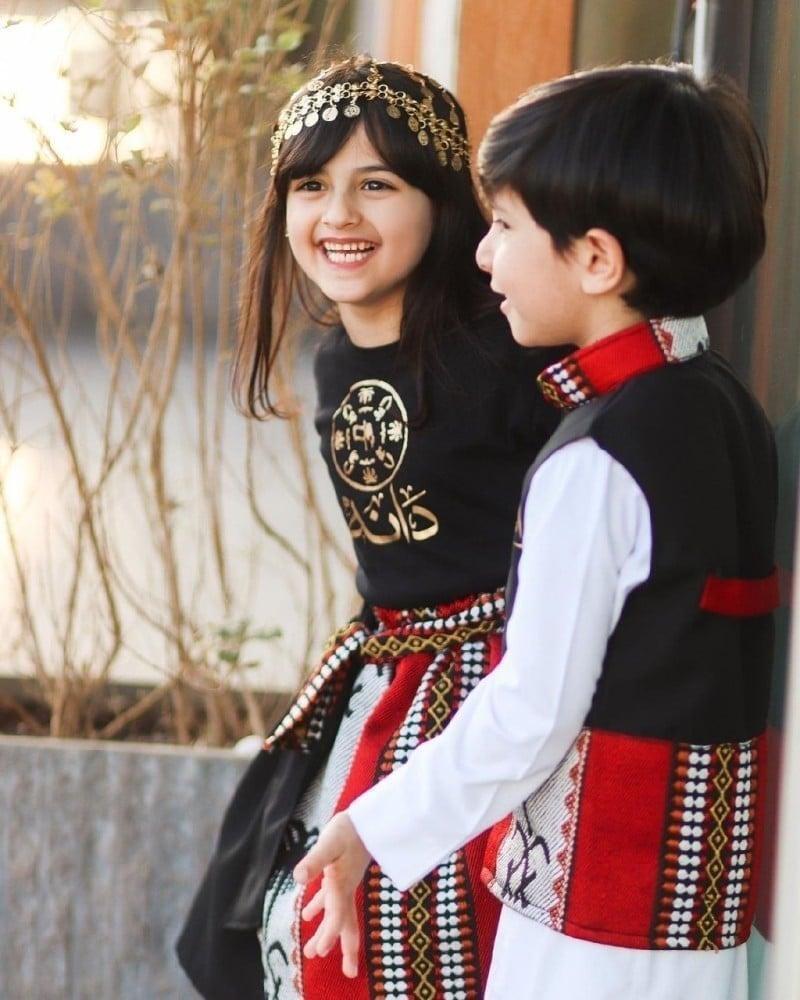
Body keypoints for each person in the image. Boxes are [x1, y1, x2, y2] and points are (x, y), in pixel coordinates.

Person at [293, 63, 778, 1000]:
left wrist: (368, 828)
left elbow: (530, 712)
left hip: (597, 911)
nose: (483, 258)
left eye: (505, 227)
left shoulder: (598, 459)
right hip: (693, 911)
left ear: (595, 260)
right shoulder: (721, 407)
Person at [176, 56, 564, 1000]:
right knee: (273, 919)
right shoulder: (334, 360)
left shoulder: (508, 348)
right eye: (311, 186)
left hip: (493, 691)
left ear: (442, 203)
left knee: (406, 941)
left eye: (377, 185)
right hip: (381, 670)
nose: (338, 215)